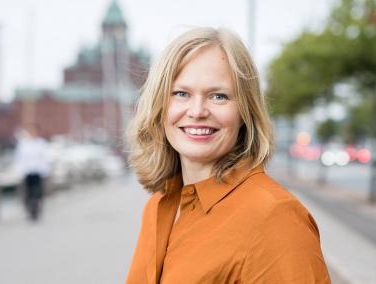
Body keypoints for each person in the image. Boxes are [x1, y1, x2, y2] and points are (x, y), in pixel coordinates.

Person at [126, 27, 330, 283]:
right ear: (159, 106)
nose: (197, 111)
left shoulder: (276, 217)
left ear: (245, 112)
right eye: (181, 93)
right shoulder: (158, 205)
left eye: (218, 96)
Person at [14, 124, 50, 221]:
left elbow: (45, 158)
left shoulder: (41, 143)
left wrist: (45, 171)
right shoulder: (23, 144)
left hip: (38, 171)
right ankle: (29, 211)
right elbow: (19, 158)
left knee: (38, 192)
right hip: (27, 171)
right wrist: (19, 171)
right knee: (27, 193)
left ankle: (37, 210)